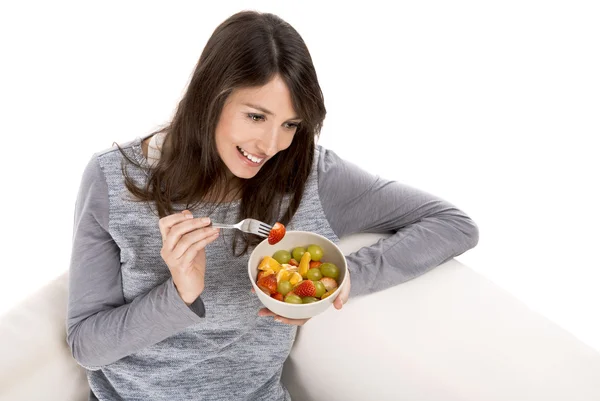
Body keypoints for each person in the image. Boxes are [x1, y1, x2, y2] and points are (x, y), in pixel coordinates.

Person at [67, 10, 479, 401]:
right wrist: (179, 295)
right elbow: (86, 346)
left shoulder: (311, 175)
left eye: (290, 125)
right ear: (210, 98)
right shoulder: (114, 179)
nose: (271, 146)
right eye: (256, 116)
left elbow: (452, 224)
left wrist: (341, 279)